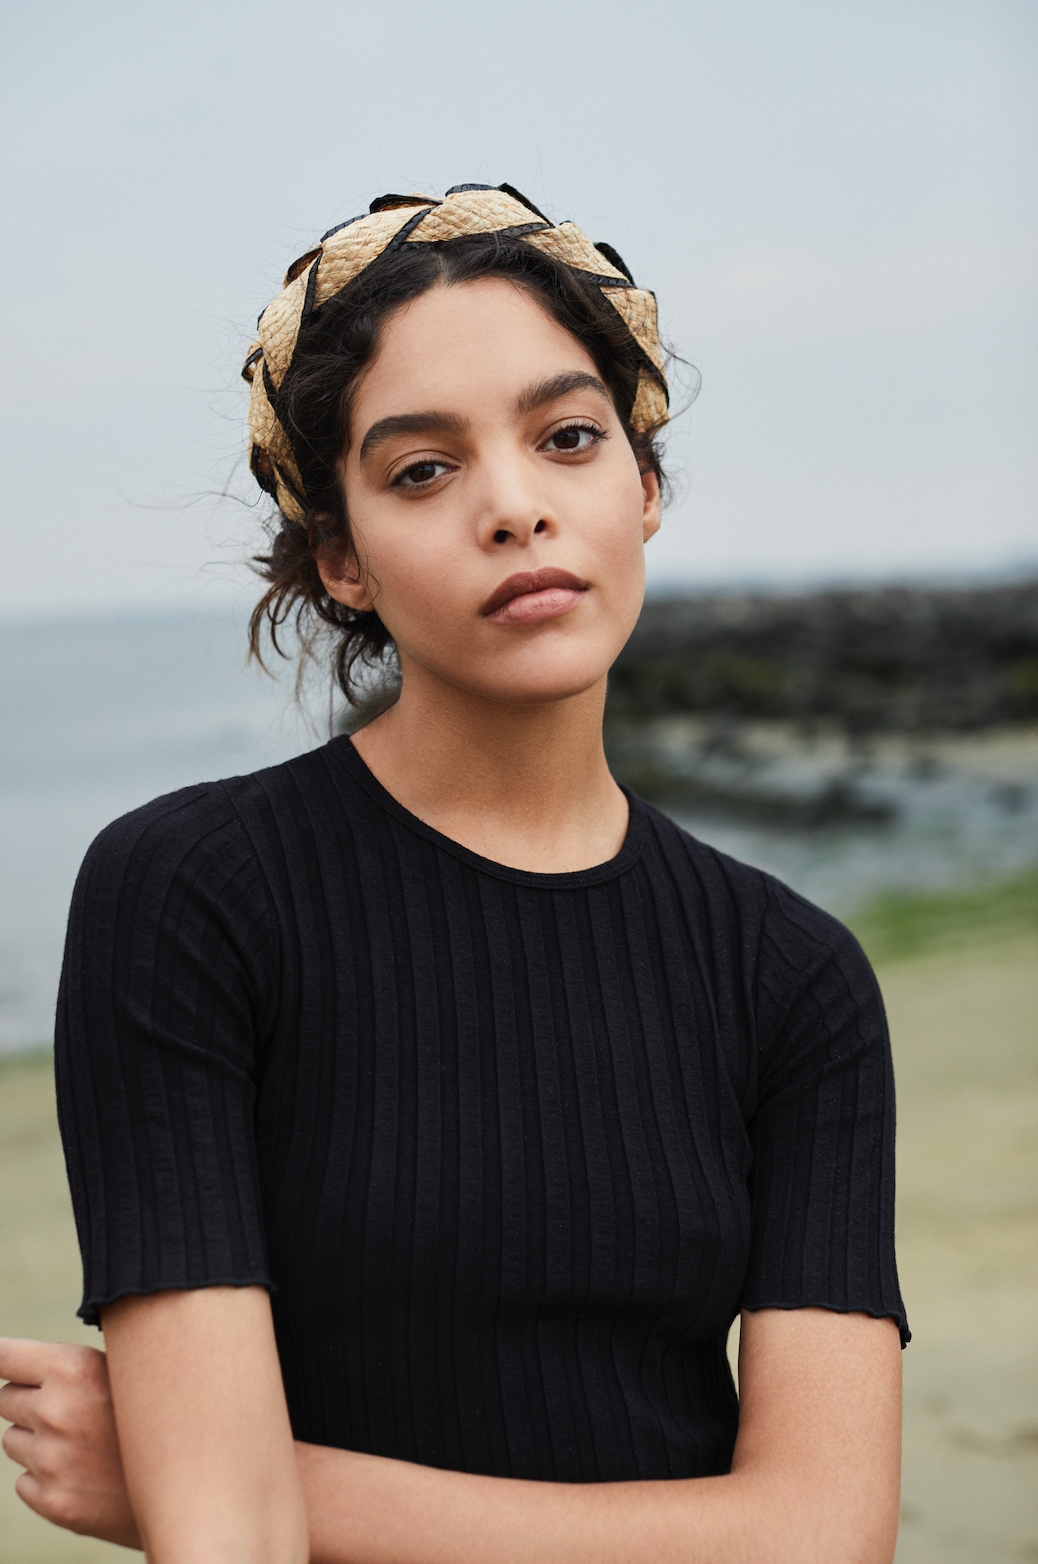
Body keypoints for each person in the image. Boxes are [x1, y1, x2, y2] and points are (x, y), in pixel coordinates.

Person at [0, 183, 907, 1563]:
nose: (513, 508)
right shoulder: (189, 896)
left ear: (644, 488)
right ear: (341, 560)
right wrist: (214, 1489)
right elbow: (224, 1539)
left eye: (567, 439)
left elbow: (821, 1534)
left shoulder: (792, 979)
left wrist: (200, 1468)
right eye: (421, 468)